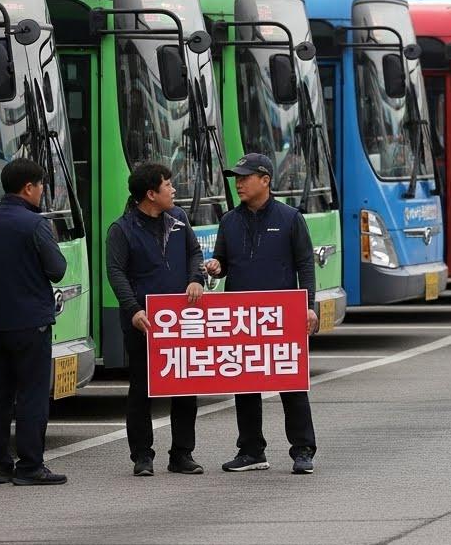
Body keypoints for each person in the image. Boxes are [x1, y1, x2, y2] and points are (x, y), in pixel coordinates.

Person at [205, 153, 322, 474]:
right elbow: (222, 261)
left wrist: (309, 306)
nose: (239, 183)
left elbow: (305, 265)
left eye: (245, 177)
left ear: (265, 180)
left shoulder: (290, 218)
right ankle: (252, 450)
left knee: (292, 383)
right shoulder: (229, 220)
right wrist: (216, 268)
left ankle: (302, 450)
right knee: (244, 382)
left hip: (281, 315)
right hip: (242, 316)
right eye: (236, 178)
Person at [105, 162, 207, 476]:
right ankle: (142, 456)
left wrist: (196, 279)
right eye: (168, 185)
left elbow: (194, 253)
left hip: (180, 319)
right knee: (142, 388)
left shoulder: (179, 219)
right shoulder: (121, 229)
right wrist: (133, 309)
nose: (173, 190)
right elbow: (116, 273)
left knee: (185, 387)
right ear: (151, 194)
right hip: (143, 322)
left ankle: (182, 454)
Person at [0, 158, 68, 486]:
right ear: (28, 187)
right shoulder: (34, 224)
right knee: (31, 394)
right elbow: (57, 269)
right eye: (41, 185)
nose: (42, 191)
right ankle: (30, 466)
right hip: (31, 323)